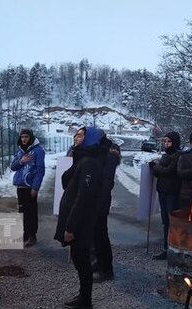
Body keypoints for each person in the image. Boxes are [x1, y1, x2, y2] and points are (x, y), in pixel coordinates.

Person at [54, 127, 105, 309]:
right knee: (79, 258)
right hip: (78, 219)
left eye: (81, 134)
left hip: (80, 222)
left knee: (82, 260)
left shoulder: (90, 162)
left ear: (90, 139)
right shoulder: (83, 158)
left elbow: (83, 198)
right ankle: (84, 297)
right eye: (76, 134)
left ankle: (85, 300)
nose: (76, 137)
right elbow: (68, 181)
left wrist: (70, 227)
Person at [10, 128, 45, 247]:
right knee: (22, 211)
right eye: (22, 137)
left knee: (31, 211)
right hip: (20, 185)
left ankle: (32, 235)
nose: (24, 139)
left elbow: (40, 170)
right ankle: (23, 233)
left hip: (30, 187)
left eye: (26, 137)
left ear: (31, 138)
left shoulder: (38, 151)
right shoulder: (19, 151)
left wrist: (36, 187)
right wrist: (21, 161)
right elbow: (13, 167)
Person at [92, 138, 121, 282]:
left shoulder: (108, 158)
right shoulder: (99, 157)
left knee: (101, 235)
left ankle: (106, 268)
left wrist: (97, 200)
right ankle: (98, 262)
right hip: (95, 201)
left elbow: (107, 183)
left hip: (100, 202)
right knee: (96, 235)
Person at [150, 131, 182, 260]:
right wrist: (158, 169)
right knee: (165, 221)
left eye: (169, 141)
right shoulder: (165, 155)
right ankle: (166, 248)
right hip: (162, 190)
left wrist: (156, 167)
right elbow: (160, 173)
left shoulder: (178, 155)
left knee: (172, 222)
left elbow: (169, 171)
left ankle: (174, 248)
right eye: (165, 141)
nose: (166, 144)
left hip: (172, 192)